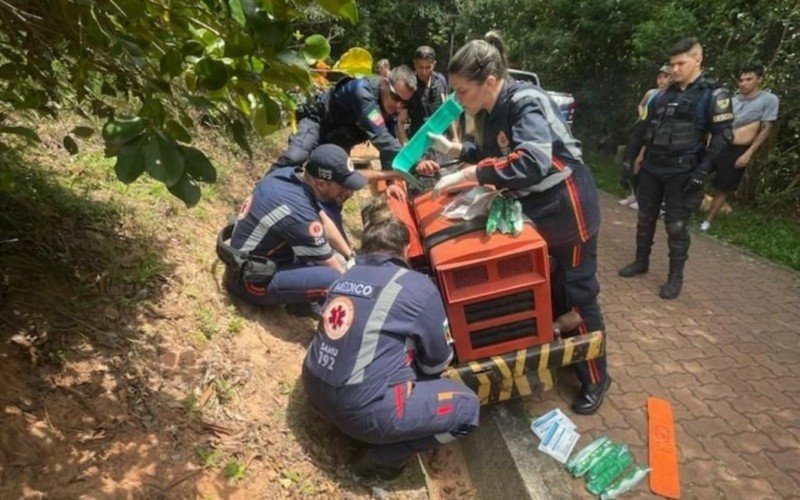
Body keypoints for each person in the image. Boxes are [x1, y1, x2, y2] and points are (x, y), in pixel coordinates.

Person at [417, 32, 610, 415]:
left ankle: (596, 375)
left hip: (568, 207)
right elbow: (495, 152)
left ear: (488, 81)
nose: (459, 101)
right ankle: (565, 346)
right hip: (539, 209)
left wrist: (469, 175)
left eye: (462, 92)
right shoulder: (492, 111)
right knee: (552, 286)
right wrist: (457, 152)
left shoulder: (525, 101)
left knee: (579, 291)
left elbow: (532, 161)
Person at [302, 198, 479, 481]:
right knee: (468, 410)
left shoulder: (343, 278)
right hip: (359, 412)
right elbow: (436, 363)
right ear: (406, 251)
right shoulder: (417, 286)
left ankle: (365, 422)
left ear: (365, 247)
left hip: (314, 389)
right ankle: (384, 459)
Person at [618, 38, 734, 299]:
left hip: (683, 172)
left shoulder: (713, 95)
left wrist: (702, 172)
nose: (675, 69)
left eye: (681, 63)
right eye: (672, 64)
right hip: (652, 168)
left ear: (698, 60)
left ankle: (675, 277)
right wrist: (628, 160)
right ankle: (641, 261)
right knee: (644, 218)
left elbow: (722, 138)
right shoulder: (660, 95)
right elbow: (641, 129)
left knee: (676, 227)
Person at [217, 144, 366, 312]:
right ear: (322, 184)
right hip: (250, 281)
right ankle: (300, 305)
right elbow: (331, 265)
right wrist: (357, 288)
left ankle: (298, 297)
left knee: (319, 257)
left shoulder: (288, 176)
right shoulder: (300, 213)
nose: (348, 191)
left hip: (248, 261)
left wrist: (349, 255)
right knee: (335, 279)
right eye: (343, 186)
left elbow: (323, 219)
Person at [275, 66, 416, 172]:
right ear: (385, 84)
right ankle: (259, 195)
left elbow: (388, 146)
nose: (399, 105)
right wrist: (416, 161)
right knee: (295, 157)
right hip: (318, 122)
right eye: (396, 97)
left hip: (341, 140)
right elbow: (381, 136)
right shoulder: (362, 91)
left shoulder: (392, 107)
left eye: (404, 103)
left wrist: (390, 182)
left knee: (339, 184)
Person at [700, 65, 779, 232]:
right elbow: (715, 122)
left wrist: (748, 153)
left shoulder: (769, 100)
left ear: (759, 79)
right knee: (695, 173)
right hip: (717, 145)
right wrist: (709, 141)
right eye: (741, 80)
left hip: (738, 149)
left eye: (749, 79)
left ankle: (708, 221)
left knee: (723, 186)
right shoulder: (731, 100)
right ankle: (683, 207)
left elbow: (766, 128)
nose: (744, 83)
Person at [620, 64, 672, 209]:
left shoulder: (670, 96)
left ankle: (642, 198)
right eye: (660, 77)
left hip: (654, 133)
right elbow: (641, 105)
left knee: (642, 162)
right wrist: (643, 113)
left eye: (665, 77)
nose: (662, 80)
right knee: (630, 161)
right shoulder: (651, 93)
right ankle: (632, 194)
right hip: (641, 129)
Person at [396, 46, 452, 144]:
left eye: (428, 67)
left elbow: (448, 112)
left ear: (434, 64)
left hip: (441, 142)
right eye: (420, 67)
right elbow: (400, 121)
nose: (424, 72)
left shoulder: (441, 81)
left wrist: (455, 137)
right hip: (417, 144)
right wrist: (406, 147)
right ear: (414, 63)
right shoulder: (408, 86)